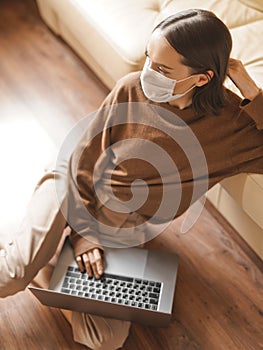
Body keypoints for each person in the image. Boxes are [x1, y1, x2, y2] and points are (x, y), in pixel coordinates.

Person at [1, 9, 262, 350]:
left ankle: (45, 261)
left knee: (105, 339)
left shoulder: (232, 128)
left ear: (202, 78)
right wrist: (85, 238)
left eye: (162, 70)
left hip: (122, 223)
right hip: (72, 185)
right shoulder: (130, 88)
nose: (147, 74)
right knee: (11, 276)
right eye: (148, 60)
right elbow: (83, 158)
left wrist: (250, 90)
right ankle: (37, 255)